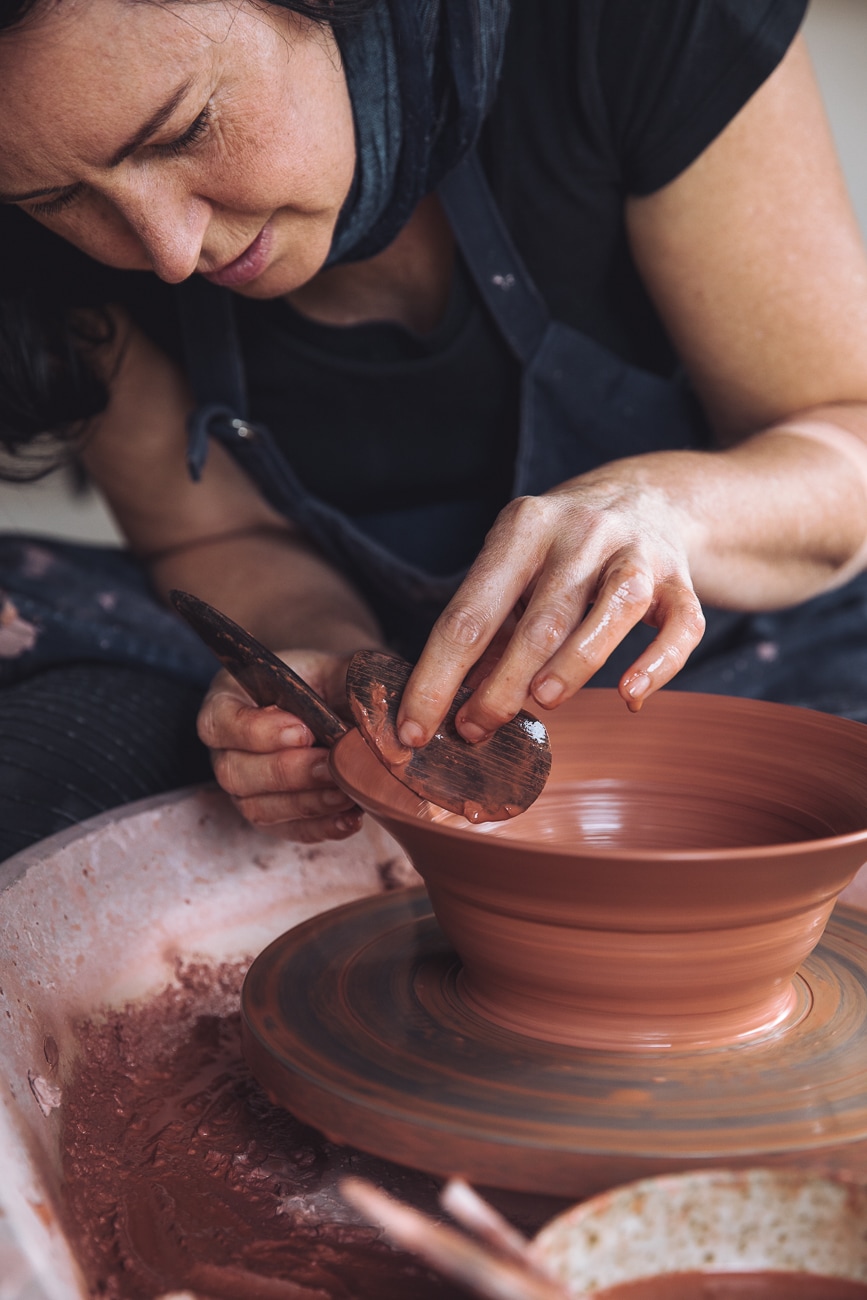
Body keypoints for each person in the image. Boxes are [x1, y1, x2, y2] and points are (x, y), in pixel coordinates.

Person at [2, 0, 867, 861]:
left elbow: (845, 436)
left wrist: (661, 511)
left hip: (751, 638)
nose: (169, 252)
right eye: (62, 196)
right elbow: (224, 531)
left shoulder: (639, 23)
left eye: (183, 131)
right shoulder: (53, 221)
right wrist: (331, 675)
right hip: (381, 662)